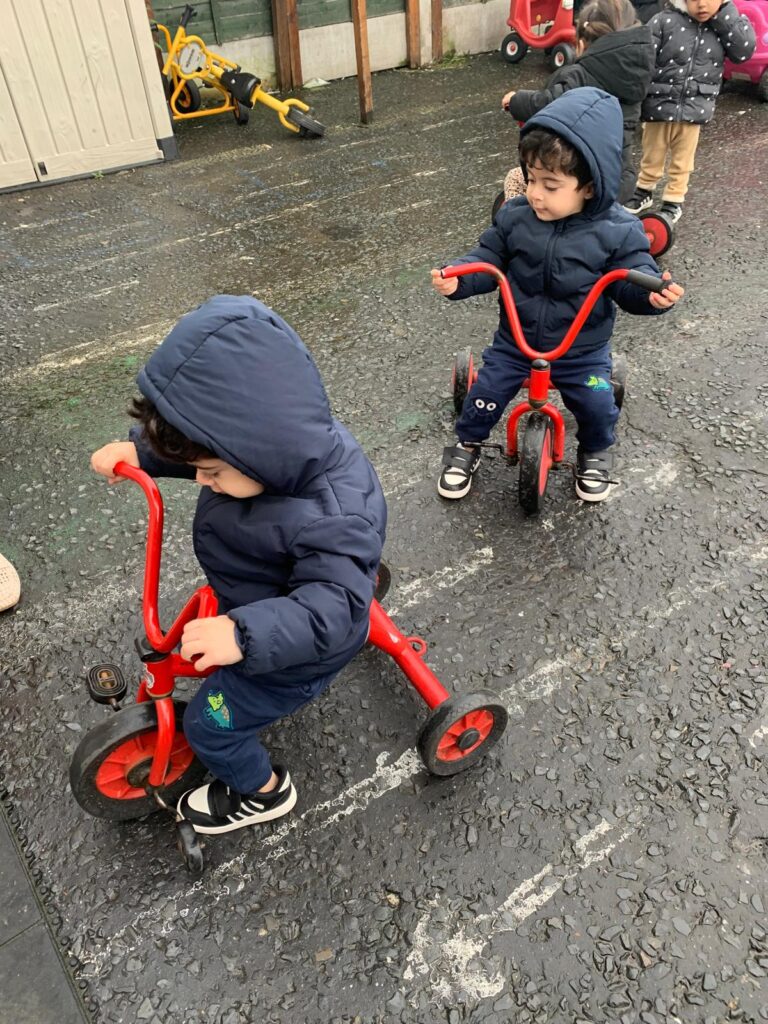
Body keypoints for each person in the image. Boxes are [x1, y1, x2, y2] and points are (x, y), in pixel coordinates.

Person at [91, 295, 387, 835]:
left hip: (292, 657)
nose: (203, 480)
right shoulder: (271, 448)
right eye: (198, 468)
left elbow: (336, 606)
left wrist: (243, 635)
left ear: (259, 453)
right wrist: (143, 453)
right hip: (258, 581)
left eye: (211, 473)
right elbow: (210, 447)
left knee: (211, 727)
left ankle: (263, 792)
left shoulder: (334, 518)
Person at [433, 88, 684, 504]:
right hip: (517, 341)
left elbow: (630, 277)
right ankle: (468, 446)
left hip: (581, 349)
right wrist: (459, 279)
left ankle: (595, 453)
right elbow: (488, 257)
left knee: (598, 405)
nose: (534, 193)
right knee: (483, 396)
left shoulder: (619, 230)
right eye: (531, 179)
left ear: (589, 186)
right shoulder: (515, 217)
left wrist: (651, 295)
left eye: (551, 185)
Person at [502, 0, 655, 205]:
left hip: (576, 181)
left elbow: (549, 104)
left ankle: (516, 222)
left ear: (581, 45)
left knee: (516, 179)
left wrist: (516, 101)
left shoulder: (578, 77)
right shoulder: (636, 78)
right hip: (618, 180)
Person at [624, 0, 755, 223]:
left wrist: (725, 16)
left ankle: (674, 199)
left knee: (683, 159)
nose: (701, 5)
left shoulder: (723, 25)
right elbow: (644, 58)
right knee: (652, 151)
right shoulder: (664, 20)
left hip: (695, 106)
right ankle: (644, 189)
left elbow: (744, 50)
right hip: (659, 101)